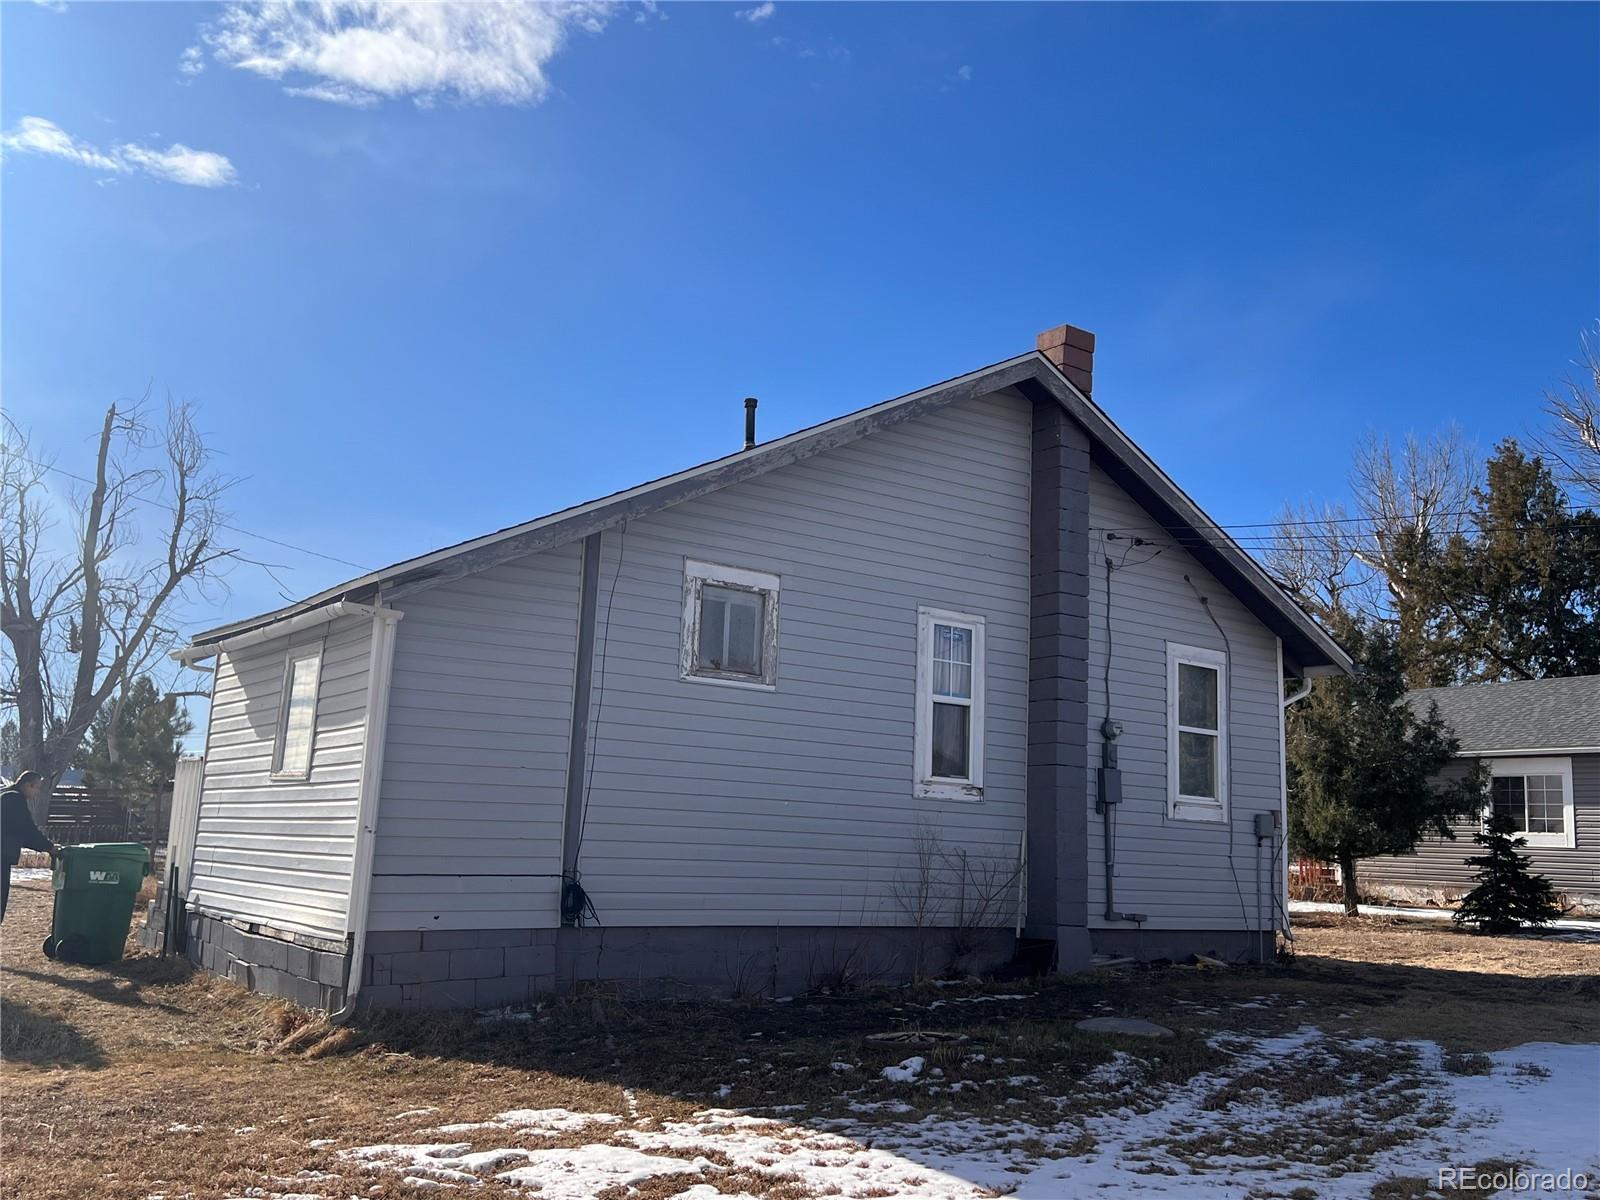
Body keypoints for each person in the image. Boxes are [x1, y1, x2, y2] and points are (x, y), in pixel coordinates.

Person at [2, 771, 58, 922]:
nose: (37, 792)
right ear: (27, 785)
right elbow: (27, 830)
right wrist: (49, 847)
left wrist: (45, 846)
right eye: (37, 788)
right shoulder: (14, 799)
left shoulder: (6, 796)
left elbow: (20, 833)